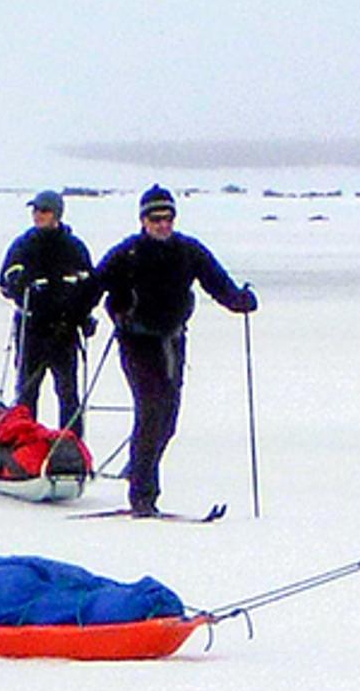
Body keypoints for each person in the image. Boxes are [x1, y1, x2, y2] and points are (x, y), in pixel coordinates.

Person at [86, 185, 255, 516]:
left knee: (168, 420)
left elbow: (217, 283)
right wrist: (77, 317)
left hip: (173, 341)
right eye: (155, 218)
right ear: (143, 220)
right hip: (136, 342)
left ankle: (139, 466)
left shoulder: (188, 251)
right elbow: (93, 287)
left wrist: (240, 301)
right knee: (151, 412)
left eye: (168, 218)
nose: (162, 224)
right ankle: (143, 496)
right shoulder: (127, 254)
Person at [0, 189, 98, 432]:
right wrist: (20, 287)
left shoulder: (74, 247)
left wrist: (82, 315)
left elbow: (91, 286)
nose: (38, 215)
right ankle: (24, 444)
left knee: (67, 391)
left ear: (57, 214)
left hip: (65, 330)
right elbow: (4, 282)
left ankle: (71, 446)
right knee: (26, 391)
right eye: (35, 210)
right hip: (31, 328)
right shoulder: (23, 245)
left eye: (44, 210)